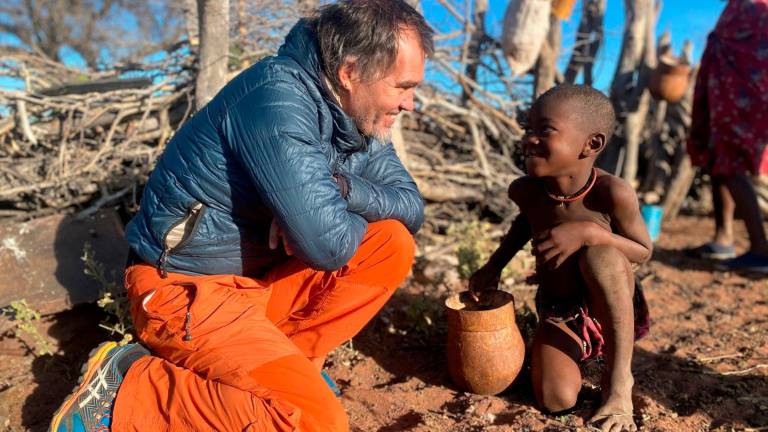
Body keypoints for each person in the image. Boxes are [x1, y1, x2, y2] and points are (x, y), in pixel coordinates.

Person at [50, 1, 433, 431]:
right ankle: (129, 388)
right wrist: (309, 214)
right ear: (350, 72)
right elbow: (328, 246)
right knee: (314, 422)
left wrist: (340, 191)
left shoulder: (359, 119)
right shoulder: (276, 98)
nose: (410, 104)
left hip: (255, 285)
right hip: (188, 289)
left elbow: (410, 206)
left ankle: (291, 366)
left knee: (391, 242)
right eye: (403, 87)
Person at [469, 85, 652, 432]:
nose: (530, 139)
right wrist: (493, 266)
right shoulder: (526, 191)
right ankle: (574, 346)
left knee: (602, 257)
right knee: (556, 398)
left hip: (607, 305)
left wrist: (590, 233)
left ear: (591, 144)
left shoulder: (611, 194)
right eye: (528, 129)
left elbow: (643, 251)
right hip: (561, 312)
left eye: (545, 130)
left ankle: (618, 382)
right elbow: (526, 223)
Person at [685, 0, 768, 272]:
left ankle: (760, 249)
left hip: (743, 92)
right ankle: (723, 239)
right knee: (717, 159)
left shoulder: (757, 9)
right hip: (724, 89)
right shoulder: (741, 8)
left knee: (730, 159)